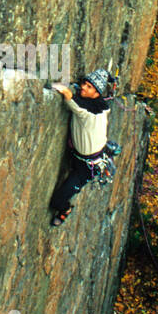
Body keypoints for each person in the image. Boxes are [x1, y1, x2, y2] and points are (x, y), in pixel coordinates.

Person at [50, 69, 114, 226]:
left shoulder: (89, 114)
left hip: (86, 167)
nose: (84, 87)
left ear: (97, 93)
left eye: (90, 87)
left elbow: (73, 101)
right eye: (84, 84)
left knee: (57, 201)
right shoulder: (100, 105)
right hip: (78, 155)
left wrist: (61, 88)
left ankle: (65, 209)